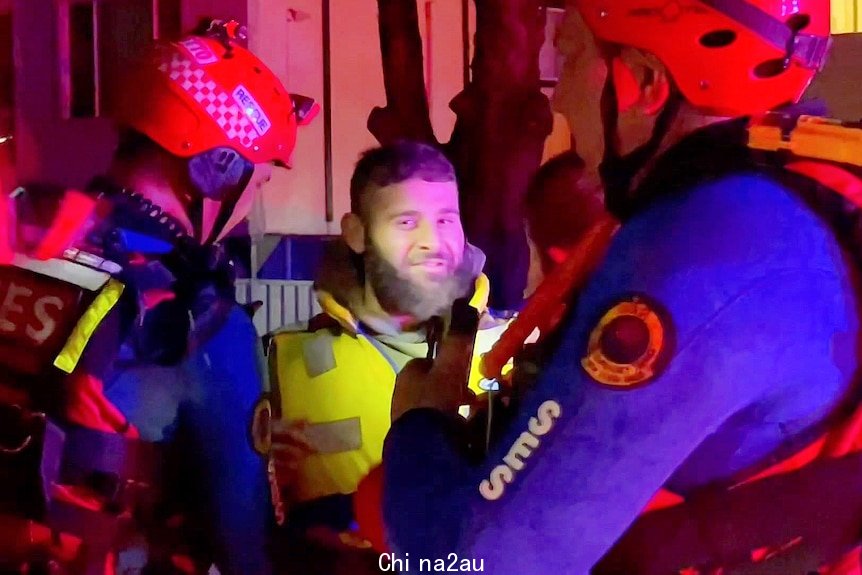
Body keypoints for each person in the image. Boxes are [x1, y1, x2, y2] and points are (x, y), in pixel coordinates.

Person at [380, 1, 862, 573]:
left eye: (571, 55)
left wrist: (417, 427)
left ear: (644, 83)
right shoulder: (775, 209)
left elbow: (478, 559)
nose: (558, 99)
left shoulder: (697, 252)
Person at [0, 20, 314, 574]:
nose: (251, 205)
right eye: (258, 181)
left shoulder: (30, 240)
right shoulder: (202, 319)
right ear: (216, 170)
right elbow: (243, 543)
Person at [266, 141, 510, 567]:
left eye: (446, 219)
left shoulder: (520, 349)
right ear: (357, 234)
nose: (432, 242)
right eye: (406, 221)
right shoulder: (280, 360)